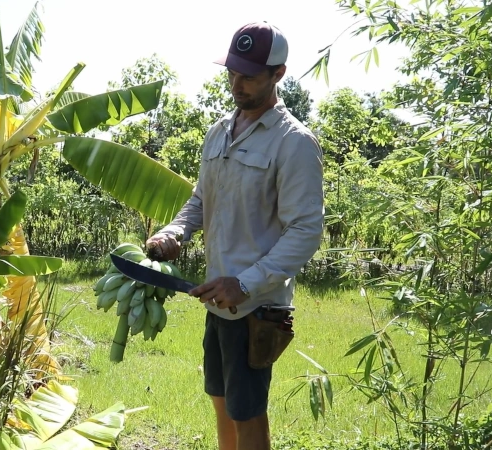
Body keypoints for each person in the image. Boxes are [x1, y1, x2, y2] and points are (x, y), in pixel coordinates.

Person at [146, 22, 325, 450]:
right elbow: (201, 200)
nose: (237, 84)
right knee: (222, 401)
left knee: (248, 412)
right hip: (215, 298)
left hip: (256, 306)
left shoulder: (293, 143)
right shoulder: (219, 132)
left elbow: (306, 230)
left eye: (250, 76)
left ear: (278, 74)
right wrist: (175, 233)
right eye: (232, 72)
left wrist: (244, 283)